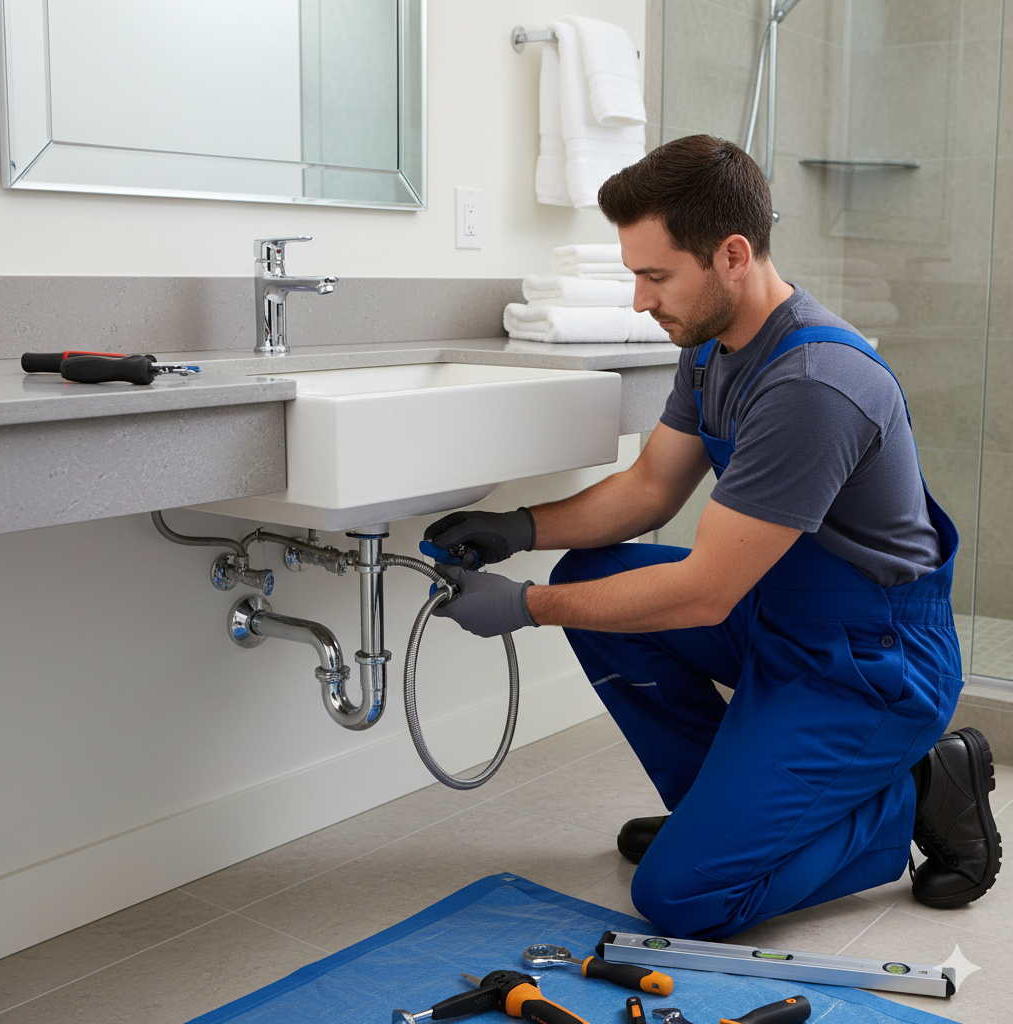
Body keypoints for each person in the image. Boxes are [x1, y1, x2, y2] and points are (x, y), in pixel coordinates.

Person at [421, 135, 1001, 940]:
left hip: (870, 663)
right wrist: (520, 528)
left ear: (732, 254)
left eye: (655, 276)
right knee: (594, 570)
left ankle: (915, 793)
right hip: (781, 620)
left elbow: (703, 591)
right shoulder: (712, 351)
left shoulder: (813, 385)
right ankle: (719, 825)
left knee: (681, 900)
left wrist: (528, 605)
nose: (637, 300)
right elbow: (649, 488)